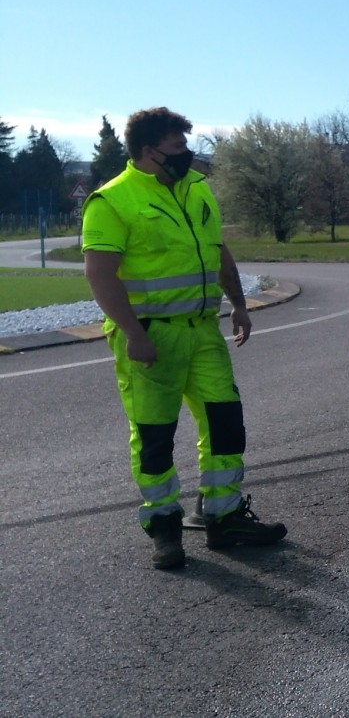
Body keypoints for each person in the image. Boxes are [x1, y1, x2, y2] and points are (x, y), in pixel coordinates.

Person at [82, 107, 288, 570]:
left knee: (225, 423)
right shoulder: (113, 200)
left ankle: (224, 517)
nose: (187, 154)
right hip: (151, 339)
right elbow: (99, 274)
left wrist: (237, 303)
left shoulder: (196, 188)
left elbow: (217, 249)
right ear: (149, 152)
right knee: (155, 436)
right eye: (178, 148)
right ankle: (165, 528)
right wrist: (133, 333)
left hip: (202, 331)